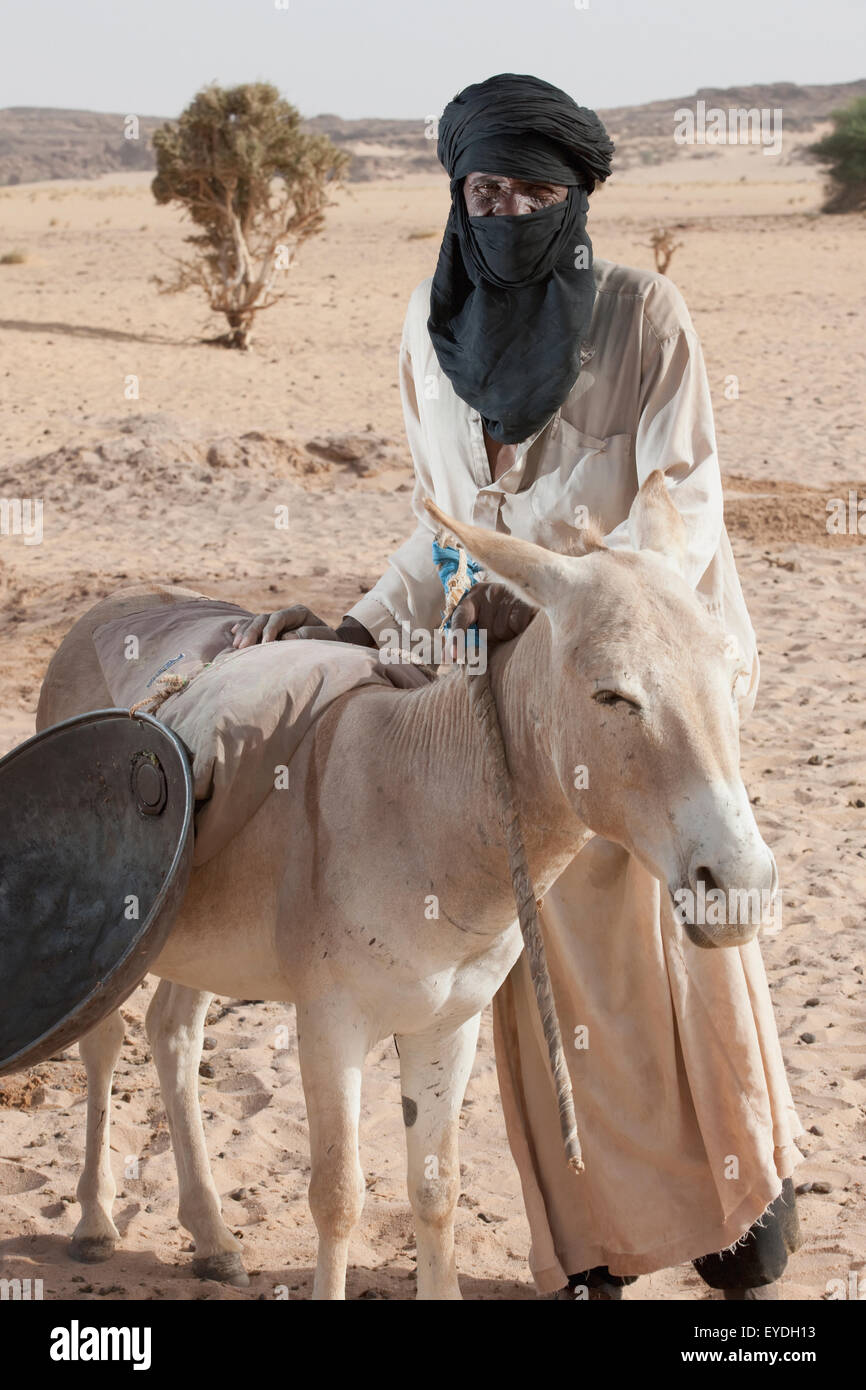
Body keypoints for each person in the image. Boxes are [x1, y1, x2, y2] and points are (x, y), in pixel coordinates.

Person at [232, 72, 802, 1301]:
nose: (503, 211)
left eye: (531, 190)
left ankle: (728, 1198)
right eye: (482, 189)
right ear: (456, 195)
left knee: (662, 947)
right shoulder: (426, 340)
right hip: (500, 717)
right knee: (522, 975)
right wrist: (366, 620)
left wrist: (558, 582)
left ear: (574, 199)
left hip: (639, 691)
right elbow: (438, 532)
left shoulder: (643, 318)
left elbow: (681, 505)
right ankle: (587, 1237)